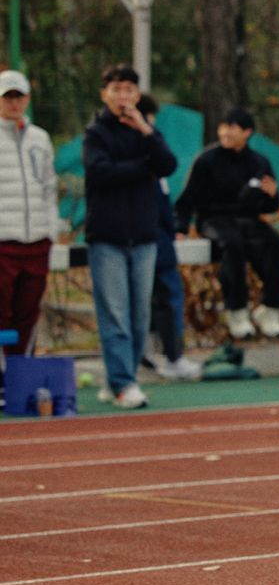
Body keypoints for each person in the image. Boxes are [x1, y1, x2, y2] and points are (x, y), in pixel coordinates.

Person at [83, 64, 177, 408]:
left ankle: (121, 377)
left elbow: (167, 165)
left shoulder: (146, 131)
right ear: (104, 93)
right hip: (107, 237)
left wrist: (145, 132)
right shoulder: (95, 133)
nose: (122, 96)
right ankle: (123, 382)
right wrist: (142, 169)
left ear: (137, 95)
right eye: (116, 89)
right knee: (115, 315)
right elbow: (101, 172)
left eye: (128, 90)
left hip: (144, 236)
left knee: (139, 317)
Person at [174, 108, 279, 340]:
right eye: (223, 127)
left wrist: (272, 196)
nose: (226, 132)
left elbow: (270, 205)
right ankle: (237, 311)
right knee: (232, 244)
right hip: (214, 219)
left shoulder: (259, 162)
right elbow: (188, 199)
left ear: (247, 132)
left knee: (274, 244)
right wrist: (180, 228)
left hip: (248, 218)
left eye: (232, 128)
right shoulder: (206, 161)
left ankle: (270, 309)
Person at [0, 69, 58, 403]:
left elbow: (49, 186)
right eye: (7, 97)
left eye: (17, 96)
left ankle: (21, 378)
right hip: (3, 241)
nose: (13, 103)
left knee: (28, 312)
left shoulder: (40, 138)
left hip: (36, 240)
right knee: (1, 312)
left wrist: (50, 229)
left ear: (27, 99)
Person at [137, 95, 200, 380]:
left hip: (161, 239)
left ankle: (172, 355)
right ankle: (145, 352)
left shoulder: (158, 152)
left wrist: (173, 227)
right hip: (138, 236)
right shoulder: (130, 150)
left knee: (168, 296)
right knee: (141, 299)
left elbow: (165, 195)